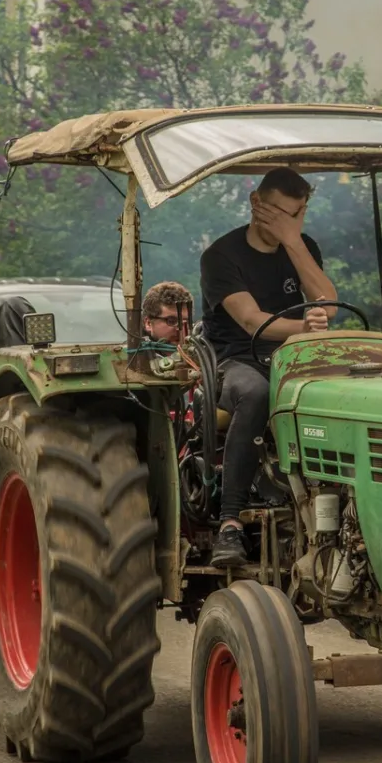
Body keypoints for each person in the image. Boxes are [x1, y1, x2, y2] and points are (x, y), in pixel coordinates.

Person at [200, 166, 338, 566]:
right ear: (256, 204)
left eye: (295, 214)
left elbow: (328, 304)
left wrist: (293, 242)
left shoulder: (303, 246)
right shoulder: (221, 256)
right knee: (258, 393)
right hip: (241, 360)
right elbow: (250, 320)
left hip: (298, 360)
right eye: (276, 212)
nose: (284, 222)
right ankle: (230, 523)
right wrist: (303, 327)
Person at [143, 281, 193, 345]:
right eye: (171, 321)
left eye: (187, 323)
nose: (180, 329)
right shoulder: (133, 353)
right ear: (148, 323)